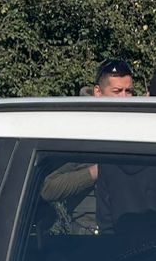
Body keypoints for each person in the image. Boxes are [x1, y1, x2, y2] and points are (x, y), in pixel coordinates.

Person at [41, 58, 137, 232]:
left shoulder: (139, 127)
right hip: (89, 232)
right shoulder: (82, 132)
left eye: (128, 91)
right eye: (117, 91)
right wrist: (97, 171)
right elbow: (49, 188)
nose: (124, 97)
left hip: (129, 228)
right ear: (98, 92)